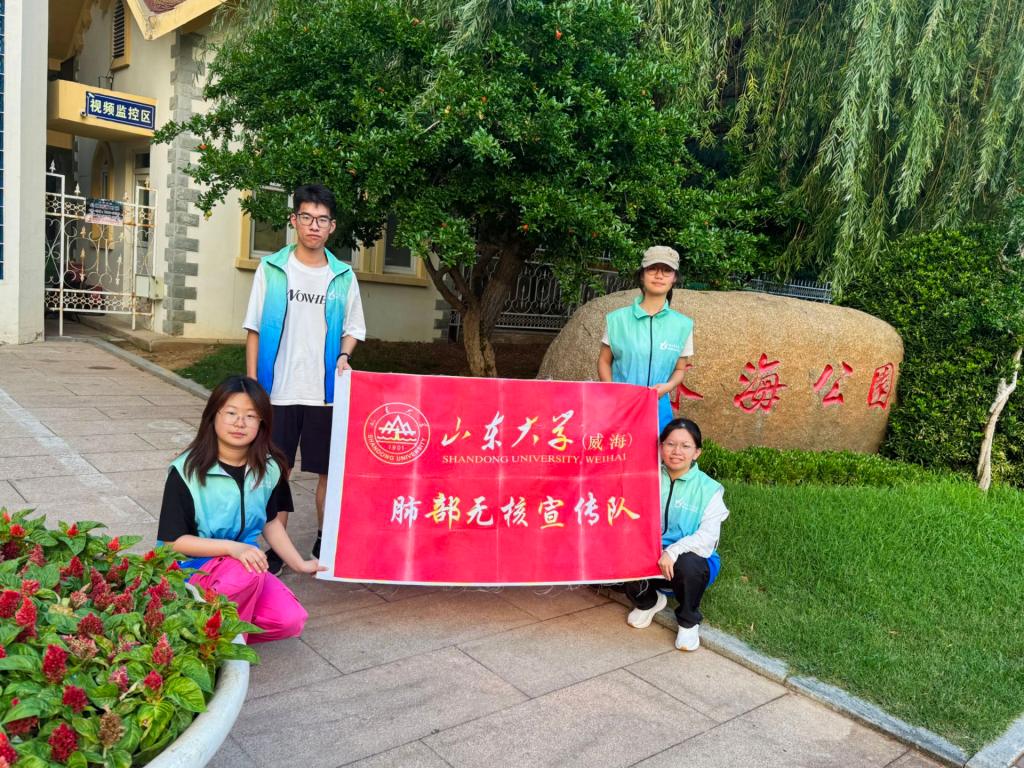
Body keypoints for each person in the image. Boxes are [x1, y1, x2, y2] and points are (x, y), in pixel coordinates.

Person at [243, 183, 366, 573]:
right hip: (277, 391)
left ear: (332, 226)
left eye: (322, 219)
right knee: (278, 471)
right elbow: (253, 329)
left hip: (325, 394)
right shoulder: (272, 268)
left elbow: (354, 328)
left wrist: (344, 355)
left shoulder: (342, 275)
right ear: (294, 220)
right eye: (307, 217)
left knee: (328, 471)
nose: (314, 226)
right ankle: (277, 547)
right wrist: (252, 387)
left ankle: (324, 539)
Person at [157, 375, 320, 643]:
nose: (239, 423)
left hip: (242, 567)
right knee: (247, 571)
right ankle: (215, 640)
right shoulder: (186, 471)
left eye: (250, 416)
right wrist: (233, 548)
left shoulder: (269, 468)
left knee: (289, 620)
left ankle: (210, 631)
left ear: (262, 423)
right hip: (191, 567)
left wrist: (299, 564)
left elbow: (270, 521)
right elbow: (173, 542)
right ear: (213, 415)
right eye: (231, 413)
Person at [624, 418, 728, 651]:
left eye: (685, 446)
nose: (676, 451)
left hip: (689, 558)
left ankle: (688, 621)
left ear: (697, 452)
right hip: (650, 552)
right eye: (670, 444)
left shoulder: (709, 489)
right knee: (619, 548)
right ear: (660, 447)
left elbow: (707, 538)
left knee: (689, 564)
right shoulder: (646, 478)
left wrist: (673, 551)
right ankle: (648, 601)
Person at [597, 245, 694, 432]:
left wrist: (667, 387)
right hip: (619, 406)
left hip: (659, 408)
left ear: (674, 278)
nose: (659, 275)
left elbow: (680, 369)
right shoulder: (617, 320)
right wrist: (612, 391)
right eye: (652, 269)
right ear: (642, 275)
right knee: (619, 448)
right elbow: (604, 361)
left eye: (667, 270)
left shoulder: (683, 325)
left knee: (653, 449)